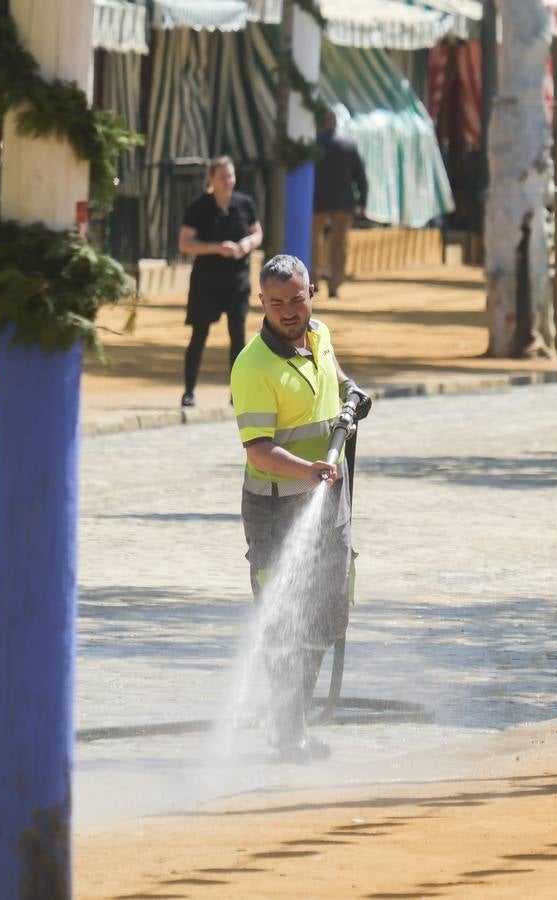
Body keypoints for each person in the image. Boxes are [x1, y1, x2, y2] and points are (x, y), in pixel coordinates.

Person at [230, 254, 371, 764]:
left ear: (311, 291)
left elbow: (333, 373)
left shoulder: (319, 333)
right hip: (278, 508)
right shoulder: (253, 367)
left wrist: (352, 393)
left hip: (327, 498)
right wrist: (309, 469)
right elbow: (259, 449)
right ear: (261, 303)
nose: (289, 312)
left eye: (296, 299)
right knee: (284, 619)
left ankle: (295, 722)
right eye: (276, 304)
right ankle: (288, 734)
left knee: (324, 616)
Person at [178, 156, 263, 407]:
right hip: (206, 281)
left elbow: (257, 232)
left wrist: (248, 243)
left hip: (237, 280)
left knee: (237, 335)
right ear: (212, 179)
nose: (228, 181)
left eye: (231, 176)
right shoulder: (199, 207)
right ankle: (189, 391)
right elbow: (184, 243)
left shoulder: (244, 203)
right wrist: (217, 248)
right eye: (222, 177)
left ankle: (236, 393)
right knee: (199, 335)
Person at [312, 111, 369, 298]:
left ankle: (313, 281)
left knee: (314, 242)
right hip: (343, 202)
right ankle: (335, 283)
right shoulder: (348, 145)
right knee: (339, 244)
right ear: (336, 123)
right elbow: (361, 176)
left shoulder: (313, 145)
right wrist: (362, 201)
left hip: (317, 201)